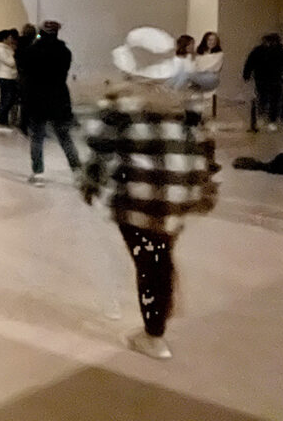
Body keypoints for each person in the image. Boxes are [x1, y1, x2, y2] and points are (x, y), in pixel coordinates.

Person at [82, 27, 219, 359]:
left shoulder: (120, 99)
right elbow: (205, 146)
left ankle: (154, 334)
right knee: (159, 253)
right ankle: (162, 305)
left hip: (139, 195)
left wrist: (91, 183)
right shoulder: (184, 99)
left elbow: (100, 146)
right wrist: (204, 188)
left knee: (149, 258)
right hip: (179, 193)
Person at [19, 20, 81, 186]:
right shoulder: (65, 51)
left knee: (37, 138)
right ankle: (77, 172)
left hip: (37, 99)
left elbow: (25, 74)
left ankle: (38, 173)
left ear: (41, 32)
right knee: (65, 138)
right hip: (59, 98)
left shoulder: (32, 51)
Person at [242, 33, 283, 131]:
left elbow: (249, 63)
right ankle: (263, 117)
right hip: (262, 80)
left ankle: (272, 120)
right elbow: (250, 62)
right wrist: (246, 74)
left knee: (274, 101)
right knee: (263, 98)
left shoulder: (280, 52)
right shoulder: (258, 51)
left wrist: (247, 74)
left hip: (275, 79)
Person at [0, 28, 19, 130]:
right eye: (9, 38)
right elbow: (11, 62)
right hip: (5, 76)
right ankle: (2, 120)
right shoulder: (0, 49)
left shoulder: (8, 48)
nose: (11, 40)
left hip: (12, 76)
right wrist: (16, 54)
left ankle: (4, 119)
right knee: (6, 100)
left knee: (10, 99)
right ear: (4, 39)